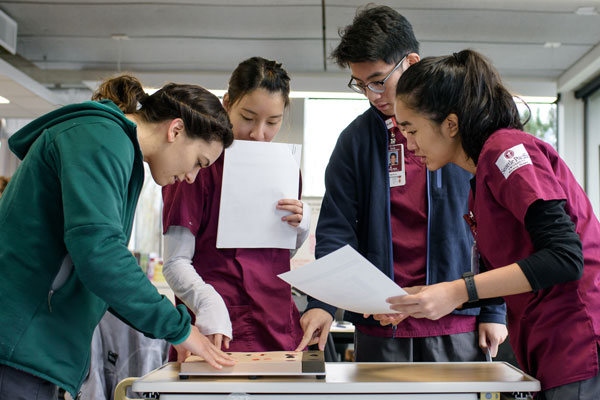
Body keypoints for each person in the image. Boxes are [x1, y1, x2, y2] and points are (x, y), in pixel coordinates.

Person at [0, 74, 236, 400]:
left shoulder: (116, 148)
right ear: (176, 129)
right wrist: (180, 330)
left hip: (33, 346)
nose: (193, 178)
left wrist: (176, 332)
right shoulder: (100, 138)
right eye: (199, 162)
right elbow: (100, 255)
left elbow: (101, 267)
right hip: (18, 346)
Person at [296, 4, 507, 363]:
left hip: (455, 318)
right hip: (380, 319)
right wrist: (322, 304)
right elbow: (337, 230)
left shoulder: (460, 131)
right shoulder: (356, 141)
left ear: (410, 62)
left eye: (379, 80)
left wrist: (494, 310)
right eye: (361, 85)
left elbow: (494, 228)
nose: (372, 94)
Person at [384, 48, 600, 398]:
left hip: (577, 340)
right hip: (547, 343)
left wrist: (456, 291)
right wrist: (428, 299)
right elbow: (513, 273)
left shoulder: (507, 152)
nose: (408, 145)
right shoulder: (482, 178)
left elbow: (565, 258)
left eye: (411, 130)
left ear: (450, 124)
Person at [162, 57, 309, 355]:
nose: (258, 133)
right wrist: (207, 302)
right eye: (248, 117)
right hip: (217, 327)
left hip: (277, 322)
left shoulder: (286, 168)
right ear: (227, 103)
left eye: (272, 122)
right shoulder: (197, 164)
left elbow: (278, 256)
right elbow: (176, 262)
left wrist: (303, 227)